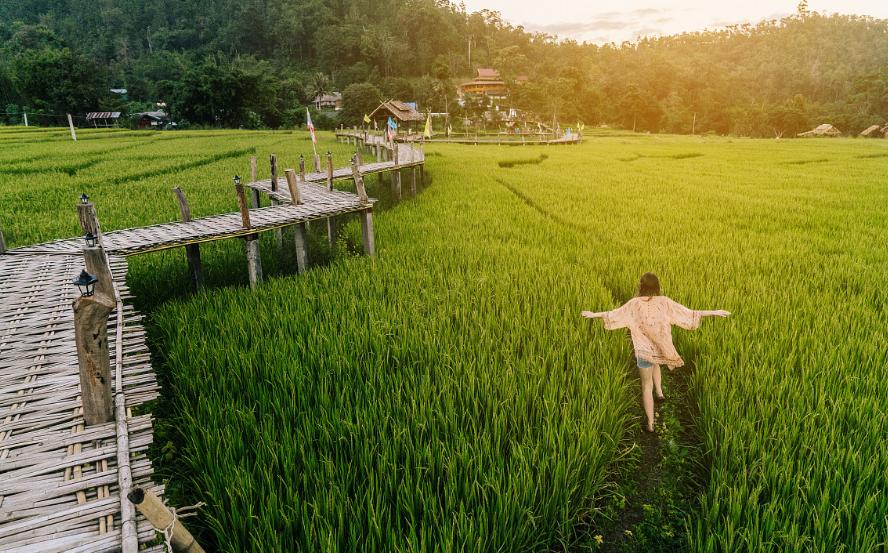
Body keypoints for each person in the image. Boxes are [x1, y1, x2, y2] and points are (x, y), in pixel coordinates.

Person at [581, 272, 730, 433]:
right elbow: (688, 312)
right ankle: (659, 393)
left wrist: (592, 315)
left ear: (641, 286)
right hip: (660, 348)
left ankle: (651, 423)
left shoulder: (633, 304)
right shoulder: (664, 302)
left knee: (646, 386)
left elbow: (613, 314)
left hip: (643, 351)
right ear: (657, 287)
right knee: (656, 363)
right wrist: (714, 311)